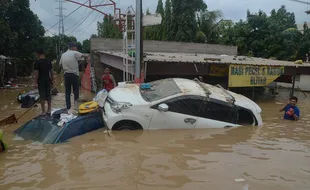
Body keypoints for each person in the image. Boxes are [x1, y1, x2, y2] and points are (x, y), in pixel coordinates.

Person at [60, 42, 85, 112]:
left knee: (67, 92)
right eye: (75, 47)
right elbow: (83, 55)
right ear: (72, 47)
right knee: (76, 91)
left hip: (66, 75)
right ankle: (76, 107)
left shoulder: (63, 55)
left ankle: (68, 107)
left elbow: (61, 65)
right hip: (74, 75)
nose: (76, 48)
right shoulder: (74, 52)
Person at [34, 48, 54, 115]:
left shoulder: (37, 62)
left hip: (41, 81)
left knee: (42, 96)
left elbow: (37, 73)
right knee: (48, 95)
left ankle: (43, 111)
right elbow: (51, 72)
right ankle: (49, 110)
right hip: (48, 80)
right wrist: (52, 80)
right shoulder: (48, 61)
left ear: (38, 53)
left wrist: (35, 82)